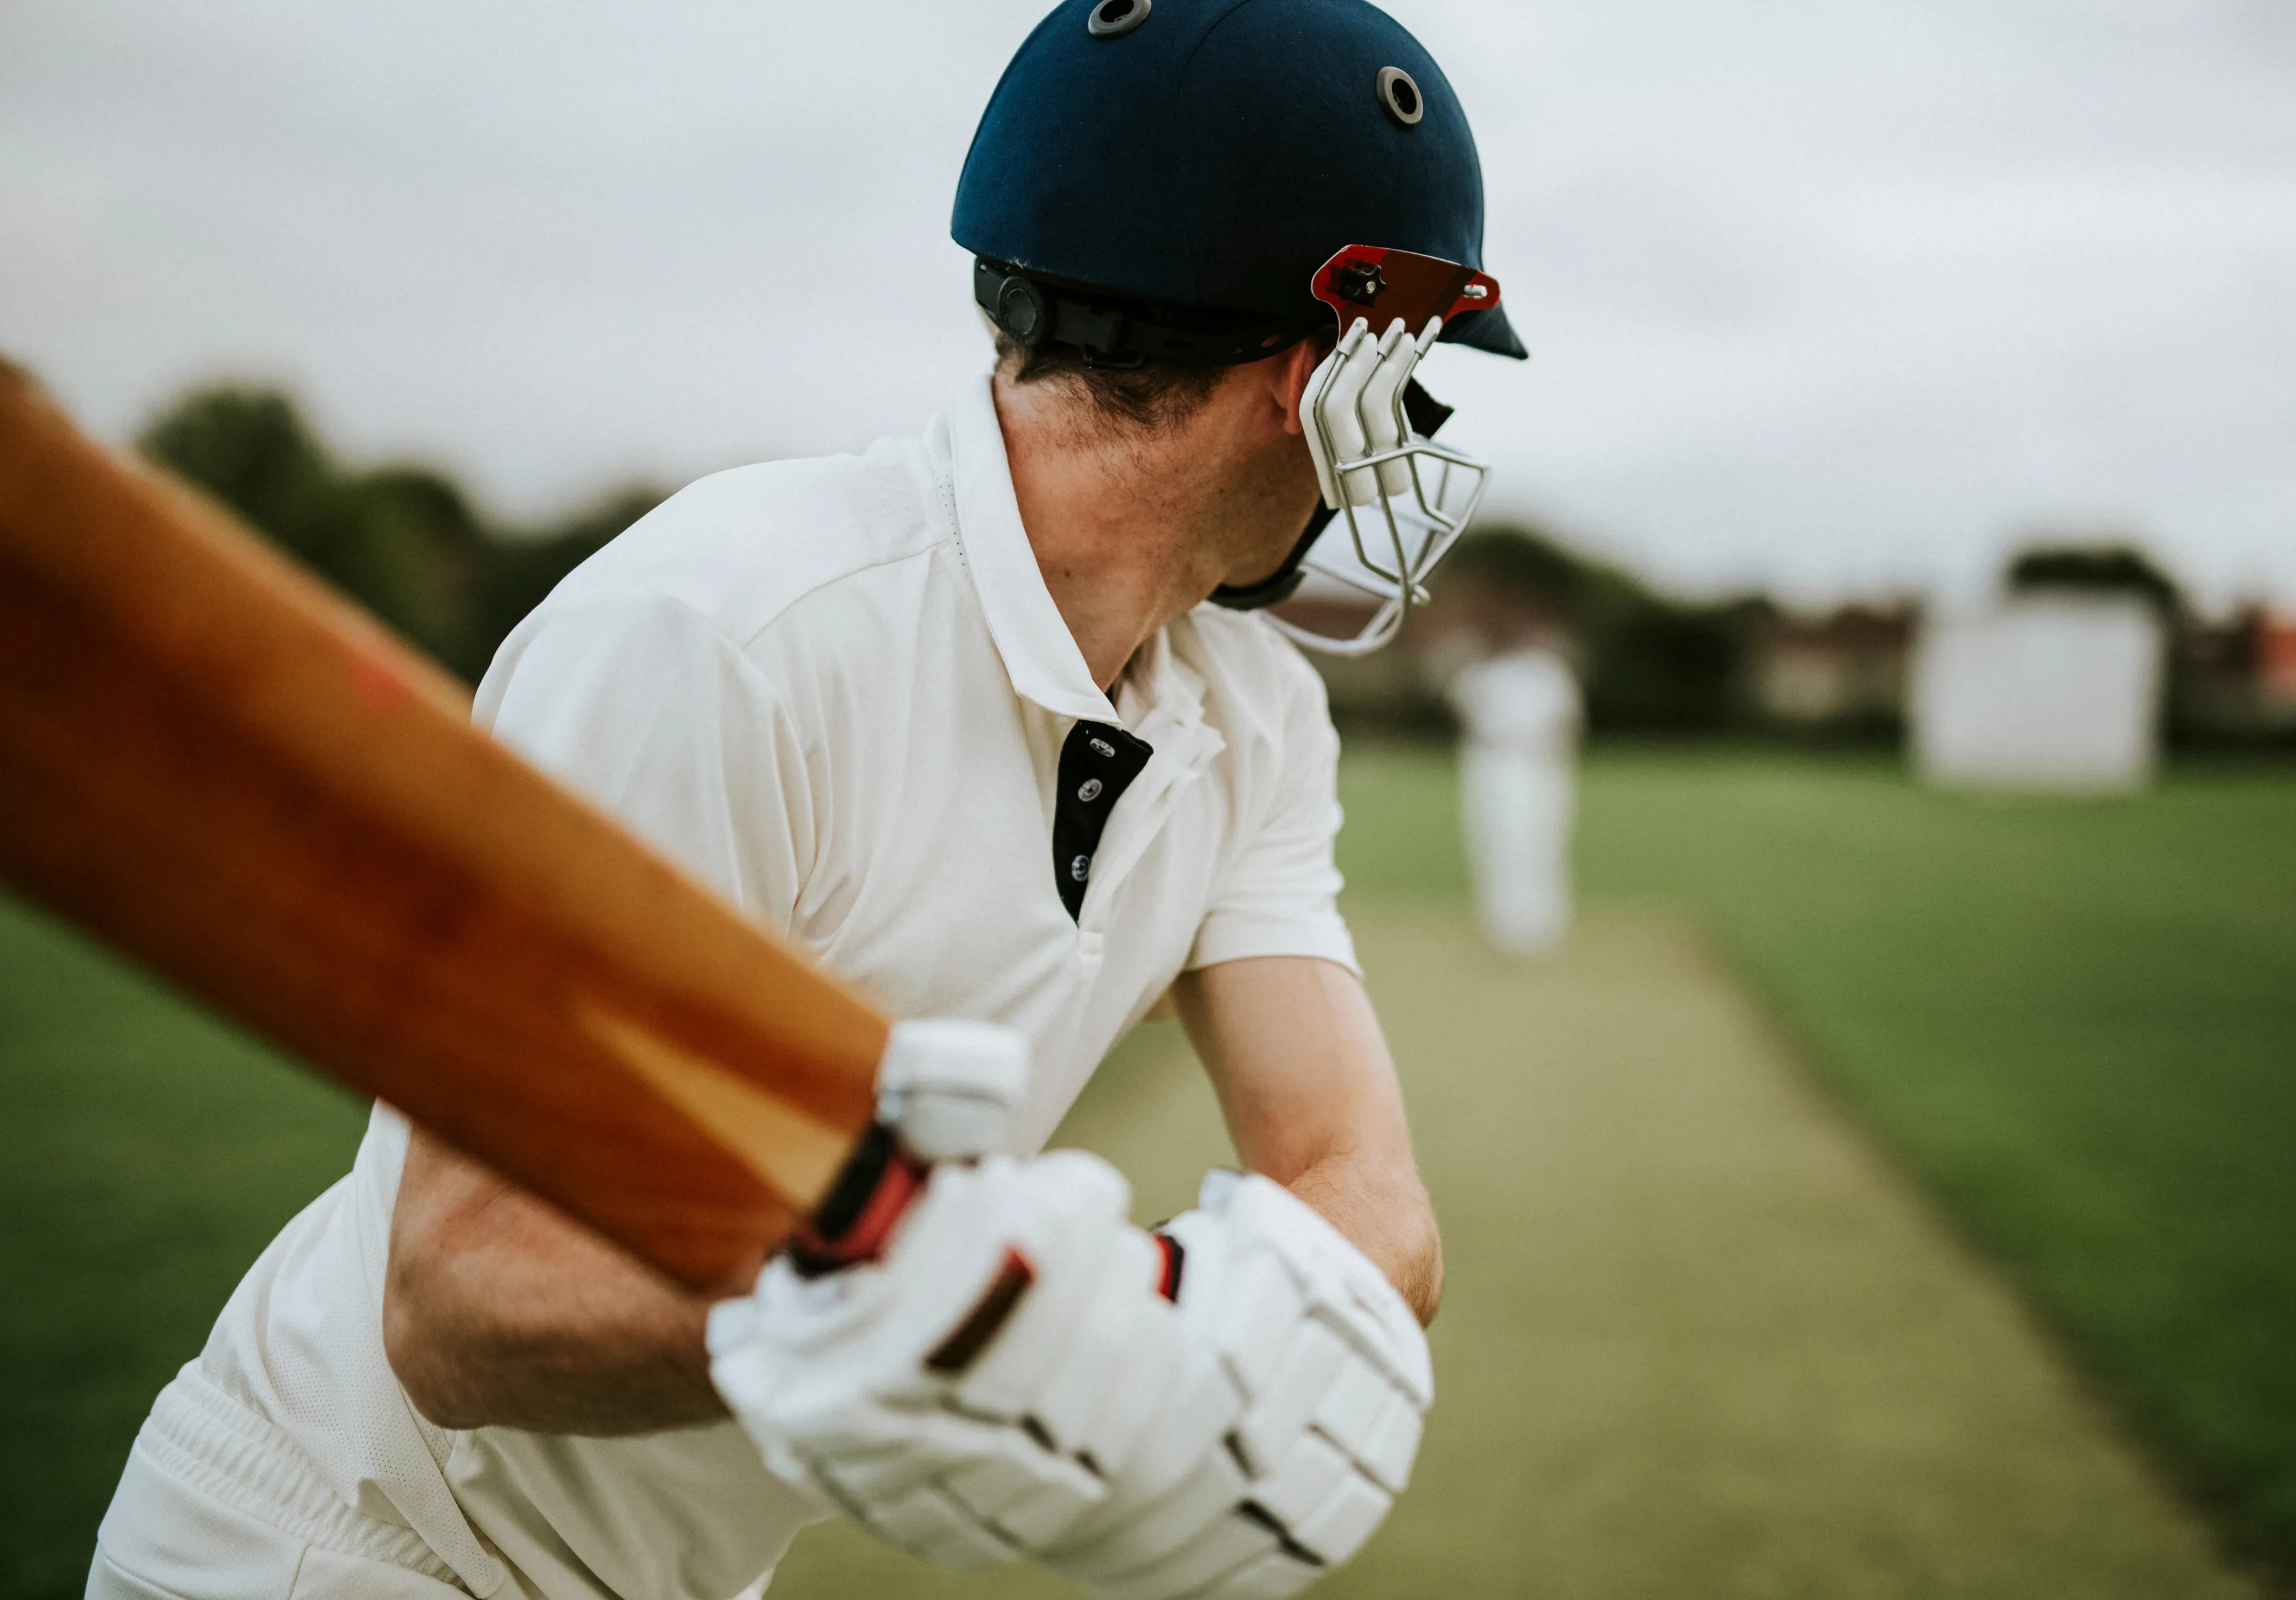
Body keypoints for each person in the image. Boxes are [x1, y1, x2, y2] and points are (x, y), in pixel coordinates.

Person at [86, 3, 1526, 1597]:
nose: (1412, 439)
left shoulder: (1253, 714)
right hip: (343, 1545)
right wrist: (945, 1319)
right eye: (1419, 382)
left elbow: (1367, 1198)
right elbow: (459, 1301)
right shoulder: (721, 631)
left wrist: (1127, 1310)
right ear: (1322, 368)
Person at [1447, 645, 1585, 958]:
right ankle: (1503, 924)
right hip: (1495, 762)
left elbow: (1569, 721)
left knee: (1543, 841)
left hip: (1539, 764)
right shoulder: (1482, 672)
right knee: (1493, 840)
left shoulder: (1549, 673)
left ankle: (1541, 923)